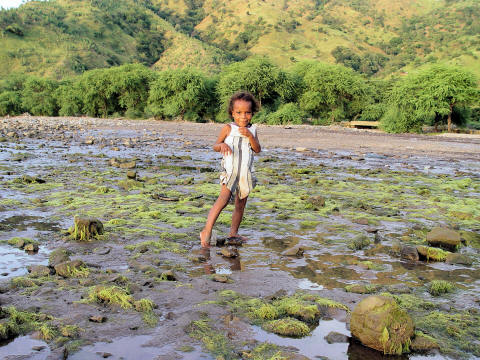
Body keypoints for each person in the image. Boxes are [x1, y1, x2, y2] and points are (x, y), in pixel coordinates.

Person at [200, 91, 261, 247]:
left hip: (245, 174)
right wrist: (221, 145)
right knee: (223, 200)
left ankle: (233, 233)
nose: (243, 116)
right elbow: (216, 145)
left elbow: (257, 149)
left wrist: (250, 136)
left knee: (240, 205)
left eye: (247, 113)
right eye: (239, 113)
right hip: (230, 172)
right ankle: (206, 231)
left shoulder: (253, 130)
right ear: (232, 113)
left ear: (252, 113)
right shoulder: (228, 128)